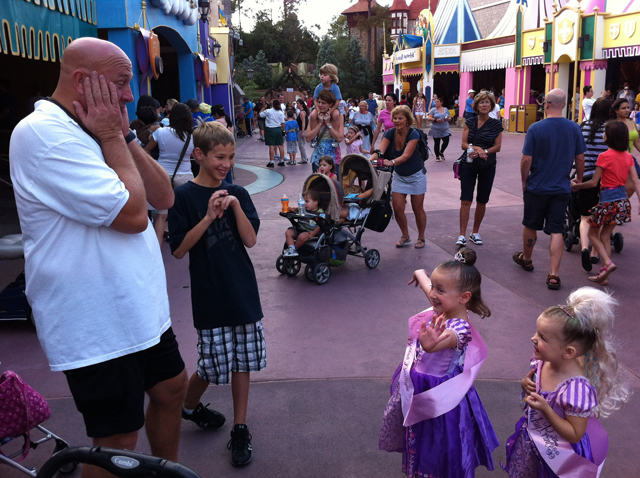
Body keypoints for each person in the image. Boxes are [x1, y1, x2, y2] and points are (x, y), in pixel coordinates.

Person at [9, 37, 187, 477]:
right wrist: (109, 135)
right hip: (96, 320)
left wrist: (122, 135)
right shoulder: (43, 133)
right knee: (117, 440)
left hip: (139, 307)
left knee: (171, 388)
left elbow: (163, 198)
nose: (130, 95)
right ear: (83, 81)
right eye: (121, 83)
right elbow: (133, 215)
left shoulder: (102, 128)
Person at [168, 121, 265, 467]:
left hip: (242, 289)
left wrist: (235, 205)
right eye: (219, 157)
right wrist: (209, 217)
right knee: (212, 365)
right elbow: (179, 249)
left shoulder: (238, 193)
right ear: (199, 155)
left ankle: (240, 427)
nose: (226, 164)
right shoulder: (183, 197)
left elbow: (250, 240)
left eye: (231, 157)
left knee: (243, 361)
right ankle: (188, 406)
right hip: (209, 293)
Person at [379, 248, 498, 477]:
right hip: (420, 386)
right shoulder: (446, 303)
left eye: (439, 289)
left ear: (464, 297)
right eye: (433, 286)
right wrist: (420, 273)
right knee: (420, 433)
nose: (432, 294)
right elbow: (430, 288)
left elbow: (444, 341)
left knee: (437, 439)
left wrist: (430, 344)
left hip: (439, 396)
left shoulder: (460, 329)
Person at [502, 287, 629, 477]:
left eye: (542, 337)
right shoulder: (542, 362)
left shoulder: (576, 389)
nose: (533, 338)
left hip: (561, 454)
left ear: (568, 352)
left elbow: (575, 434)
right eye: (537, 332)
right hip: (535, 442)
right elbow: (534, 392)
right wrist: (525, 384)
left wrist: (547, 409)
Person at [513, 88, 586, 290]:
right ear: (564, 105)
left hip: (537, 186)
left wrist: (524, 181)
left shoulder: (536, 128)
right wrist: (579, 179)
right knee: (556, 230)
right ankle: (554, 274)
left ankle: (527, 259)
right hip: (561, 187)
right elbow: (580, 158)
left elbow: (526, 159)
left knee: (531, 224)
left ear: (546, 104)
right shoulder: (574, 128)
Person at [571, 121, 640, 283]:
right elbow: (636, 180)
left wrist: (577, 186)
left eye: (605, 133)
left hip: (607, 201)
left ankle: (608, 263)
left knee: (592, 234)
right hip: (622, 201)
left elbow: (593, 182)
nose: (603, 135)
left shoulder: (604, 156)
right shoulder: (628, 157)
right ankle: (604, 275)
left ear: (610, 137)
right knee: (605, 236)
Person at [369, 106, 427, 249]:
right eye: (394, 118)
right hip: (399, 175)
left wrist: (392, 162)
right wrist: (370, 160)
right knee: (397, 208)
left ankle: (421, 236)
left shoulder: (413, 134)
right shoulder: (390, 133)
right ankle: (405, 235)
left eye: (400, 118)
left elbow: (406, 155)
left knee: (417, 208)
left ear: (407, 120)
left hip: (416, 175)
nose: (396, 120)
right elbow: (380, 150)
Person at [145, 103, 195, 245]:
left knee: (161, 217)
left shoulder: (160, 132)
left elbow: (146, 151)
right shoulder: (192, 136)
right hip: (185, 176)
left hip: (163, 175)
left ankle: (157, 251)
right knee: (187, 213)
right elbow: (195, 156)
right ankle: (188, 245)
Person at [457, 92, 503, 247]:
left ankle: (475, 232)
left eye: (487, 102)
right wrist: (477, 148)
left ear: (491, 105)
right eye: (481, 102)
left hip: (487, 165)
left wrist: (485, 151)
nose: (484, 105)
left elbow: (497, 147)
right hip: (469, 163)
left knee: (482, 200)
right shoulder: (470, 121)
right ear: (476, 105)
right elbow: (463, 144)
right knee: (466, 199)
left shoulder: (496, 124)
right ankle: (462, 234)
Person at [576, 98, 611, 271]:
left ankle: (584, 246)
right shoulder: (611, 128)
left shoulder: (583, 126)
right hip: (606, 178)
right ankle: (594, 252)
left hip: (586, 176)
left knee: (585, 217)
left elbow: (578, 152)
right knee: (602, 215)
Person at [306, 90, 345, 174]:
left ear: (330, 104)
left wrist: (328, 124)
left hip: (333, 158)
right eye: (319, 102)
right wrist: (319, 123)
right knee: (318, 181)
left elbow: (339, 138)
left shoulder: (338, 116)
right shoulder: (314, 117)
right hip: (318, 159)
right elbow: (308, 138)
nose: (320, 105)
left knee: (333, 181)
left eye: (323, 103)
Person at [611, 98, 640, 197]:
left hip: (630, 158)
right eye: (623, 108)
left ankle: (621, 204)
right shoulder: (613, 124)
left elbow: (637, 142)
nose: (627, 110)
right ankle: (620, 204)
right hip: (617, 159)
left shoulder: (632, 122)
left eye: (628, 107)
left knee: (632, 185)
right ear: (616, 110)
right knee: (627, 186)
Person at [283, 189, 325, 257]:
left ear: (315, 202)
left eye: (307, 201)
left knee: (302, 236)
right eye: (303, 201)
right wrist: (292, 209)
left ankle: (295, 248)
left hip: (311, 232)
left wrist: (313, 233)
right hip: (300, 229)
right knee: (288, 232)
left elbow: (322, 225)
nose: (304, 203)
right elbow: (296, 209)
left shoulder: (320, 212)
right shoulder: (303, 209)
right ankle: (291, 248)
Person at [310, 63, 342, 127]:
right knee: (313, 115)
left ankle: (335, 129)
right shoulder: (318, 87)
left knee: (336, 114)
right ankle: (314, 129)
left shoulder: (335, 88)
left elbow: (337, 102)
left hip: (331, 107)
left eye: (324, 75)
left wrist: (329, 112)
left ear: (331, 77)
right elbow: (315, 101)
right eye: (321, 74)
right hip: (319, 107)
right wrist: (319, 111)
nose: (322, 76)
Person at [259, 99, 285, 167]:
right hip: (278, 129)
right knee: (281, 146)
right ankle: (282, 161)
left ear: (272, 104)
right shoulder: (280, 112)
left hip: (270, 129)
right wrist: (283, 131)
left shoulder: (268, 111)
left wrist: (263, 108)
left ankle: (271, 162)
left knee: (271, 146)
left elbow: (260, 115)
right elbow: (283, 123)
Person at [427, 96, 452, 162]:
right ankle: (437, 156)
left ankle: (441, 151)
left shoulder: (445, 109)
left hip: (445, 129)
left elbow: (449, 117)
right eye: (435, 102)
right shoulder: (433, 110)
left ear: (441, 102)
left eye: (437, 102)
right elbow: (429, 118)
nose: (436, 103)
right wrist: (436, 120)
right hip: (436, 129)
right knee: (437, 143)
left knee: (446, 141)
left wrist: (448, 119)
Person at [295, 98, 309, 164]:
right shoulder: (303, 111)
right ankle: (305, 157)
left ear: (301, 104)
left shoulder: (302, 112)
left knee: (301, 145)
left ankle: (304, 158)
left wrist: (303, 131)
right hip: (302, 130)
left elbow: (303, 122)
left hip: (302, 130)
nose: (297, 105)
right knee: (302, 145)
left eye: (298, 103)